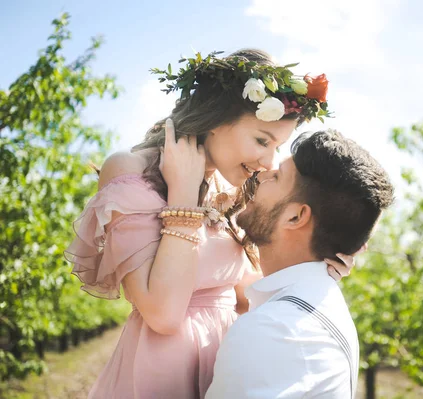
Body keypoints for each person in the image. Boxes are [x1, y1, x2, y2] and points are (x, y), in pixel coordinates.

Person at [64, 49, 356, 399]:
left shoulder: (230, 188)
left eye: (275, 147)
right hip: (162, 371)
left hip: (228, 360)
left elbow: (245, 292)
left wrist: (317, 265)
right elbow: (163, 313)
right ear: (216, 119)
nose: (267, 162)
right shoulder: (130, 170)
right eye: (262, 141)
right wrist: (184, 200)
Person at [206, 129, 395, 398]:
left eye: (277, 176)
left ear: (295, 217)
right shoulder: (317, 304)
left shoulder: (273, 330)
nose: (261, 174)